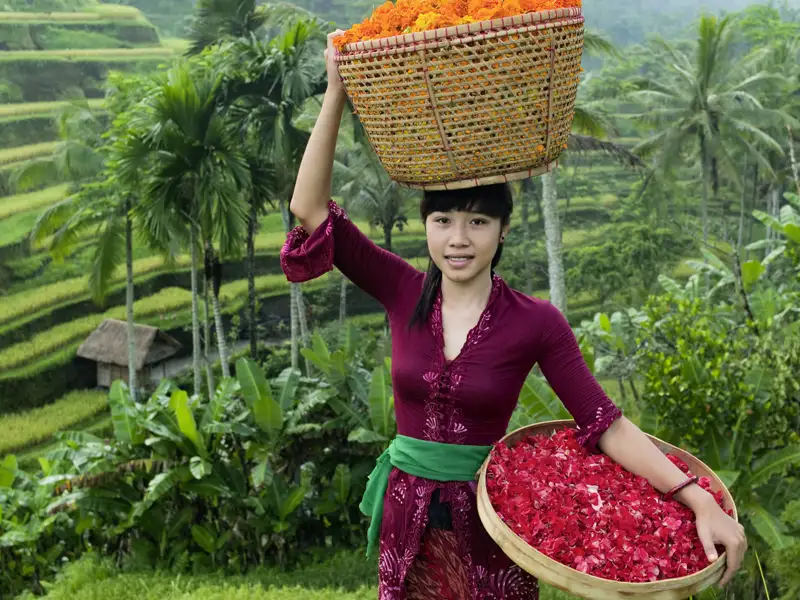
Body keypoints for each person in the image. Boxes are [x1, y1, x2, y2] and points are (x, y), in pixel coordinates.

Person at [280, 30, 747, 600]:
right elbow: (308, 209)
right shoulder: (401, 289)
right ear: (425, 225)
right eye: (443, 220)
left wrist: (696, 497)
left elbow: (606, 424)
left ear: (503, 230)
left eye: (477, 222)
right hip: (408, 525)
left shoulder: (536, 322)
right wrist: (336, 92)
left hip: (492, 530)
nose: (458, 239)